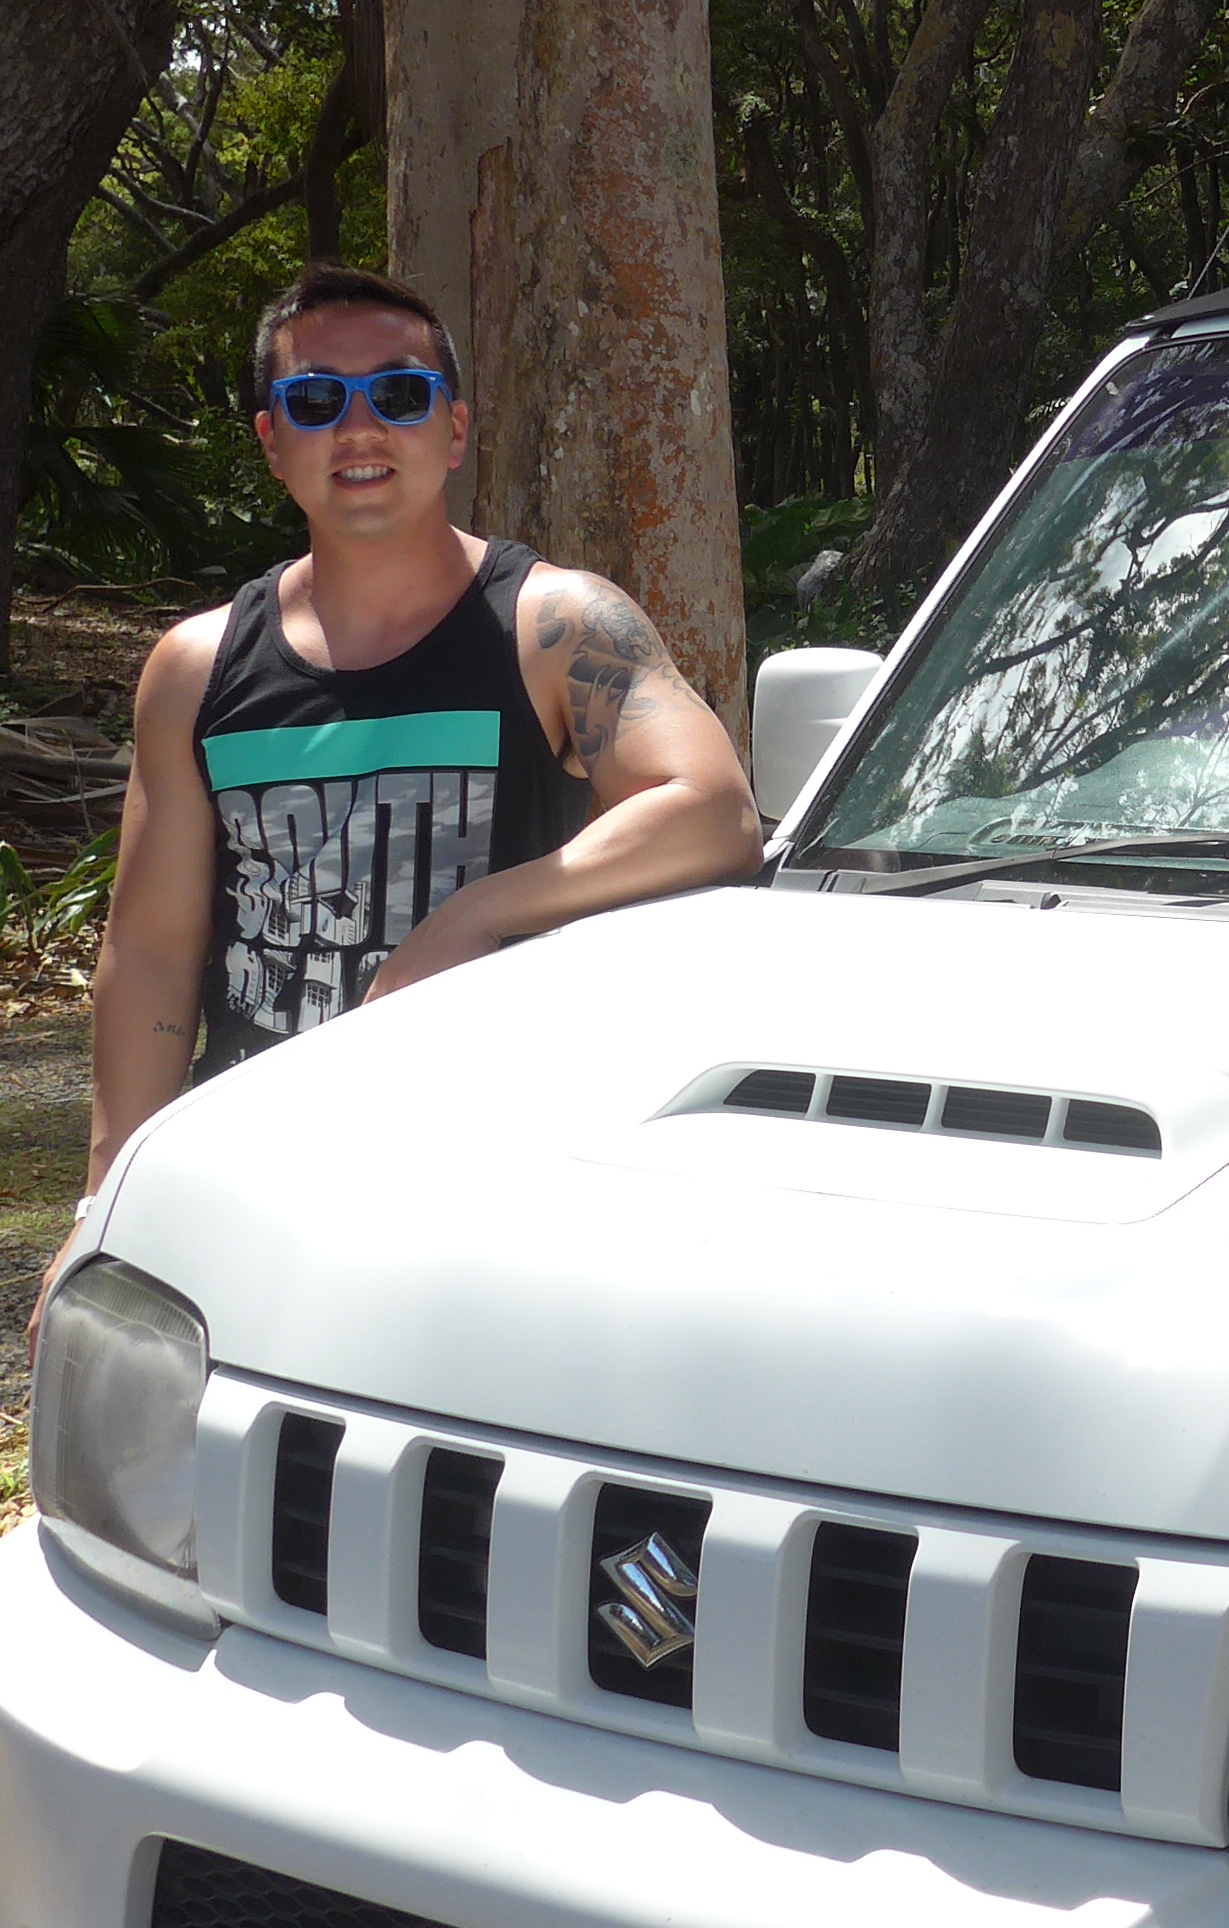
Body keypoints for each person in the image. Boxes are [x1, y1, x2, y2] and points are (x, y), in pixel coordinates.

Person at [64, 263, 760, 1224]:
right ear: (271, 441)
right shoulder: (198, 666)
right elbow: (150, 950)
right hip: (258, 1167)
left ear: (455, 429)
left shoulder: (557, 625)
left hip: (493, 1169)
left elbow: (714, 812)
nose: (359, 429)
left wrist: (473, 916)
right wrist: (104, 1207)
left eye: (399, 393)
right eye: (314, 400)